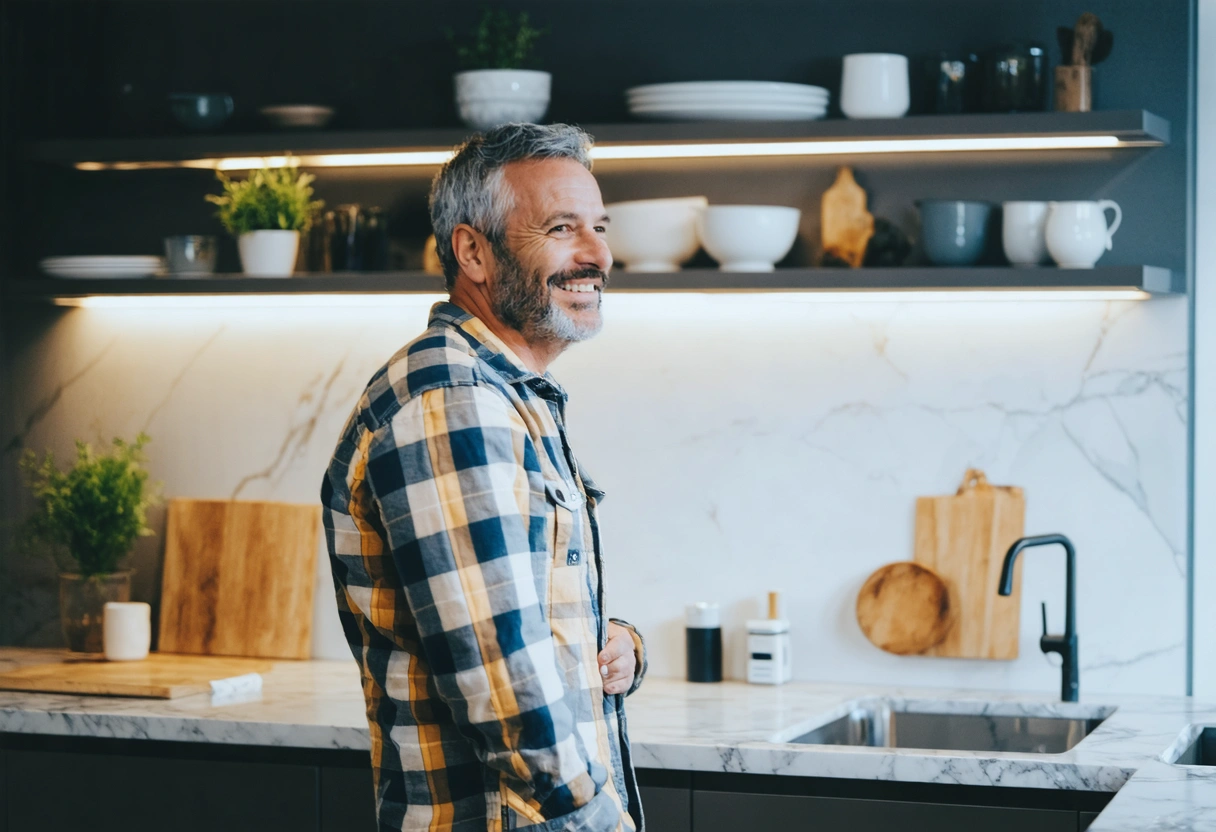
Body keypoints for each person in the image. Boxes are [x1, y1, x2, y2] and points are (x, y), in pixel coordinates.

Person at [321, 122, 646, 832]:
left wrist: (613, 641)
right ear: (473, 250)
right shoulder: (451, 398)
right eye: (562, 228)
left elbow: (511, 610)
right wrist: (594, 820)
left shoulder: (508, 393)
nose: (596, 254)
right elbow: (501, 680)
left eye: (599, 226)